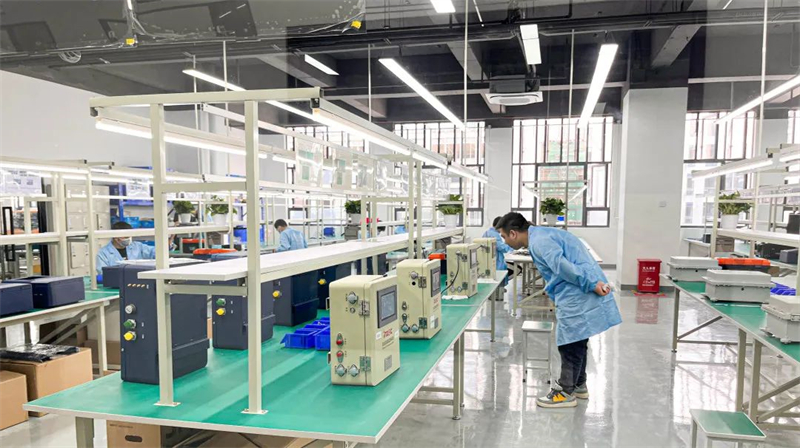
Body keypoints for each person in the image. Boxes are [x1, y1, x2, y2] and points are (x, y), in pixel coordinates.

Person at [496, 212, 621, 409]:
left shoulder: (539, 242)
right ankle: (579, 385)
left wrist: (591, 284)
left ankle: (565, 392)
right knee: (578, 338)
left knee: (569, 342)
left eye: (504, 236)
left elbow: (564, 268)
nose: (504, 241)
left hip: (577, 291)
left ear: (513, 233)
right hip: (577, 289)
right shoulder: (541, 236)